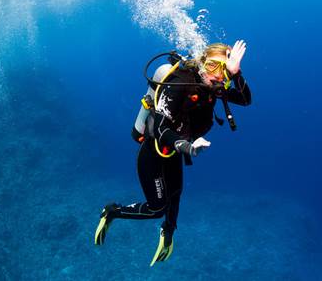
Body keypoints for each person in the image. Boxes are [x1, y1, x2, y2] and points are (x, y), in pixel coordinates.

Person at [94, 40, 251, 266]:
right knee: (157, 208)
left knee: (175, 194)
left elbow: (246, 99)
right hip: (154, 151)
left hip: (175, 150)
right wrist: (187, 146)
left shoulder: (215, 86)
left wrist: (236, 74)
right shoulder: (180, 81)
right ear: (203, 62)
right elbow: (160, 128)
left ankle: (167, 234)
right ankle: (112, 211)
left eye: (224, 69)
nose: (218, 75)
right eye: (214, 66)